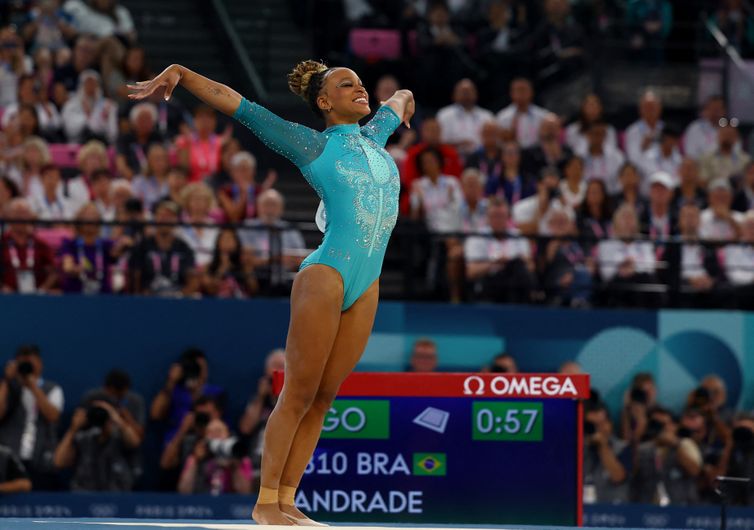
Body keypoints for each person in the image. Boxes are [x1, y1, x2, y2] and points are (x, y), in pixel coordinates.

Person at [128, 58, 414, 524]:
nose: (360, 89)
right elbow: (242, 108)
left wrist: (405, 104)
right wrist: (182, 72)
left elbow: (399, 99)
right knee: (299, 393)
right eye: (348, 85)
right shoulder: (313, 146)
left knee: (324, 397)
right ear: (324, 101)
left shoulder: (377, 135)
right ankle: (264, 503)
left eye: (361, 84)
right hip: (327, 274)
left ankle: (288, 501)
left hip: (368, 282)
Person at [0, 344, 63, 490]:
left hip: (41, 459)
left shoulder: (52, 389)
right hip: (10, 459)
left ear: (40, 364)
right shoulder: (8, 388)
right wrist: (7, 381)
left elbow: (53, 416)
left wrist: (32, 385)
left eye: (31, 363)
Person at [53, 399, 141, 491]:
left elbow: (135, 443)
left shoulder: (119, 437)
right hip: (85, 495)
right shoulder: (82, 438)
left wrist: (116, 418)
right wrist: (72, 429)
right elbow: (58, 462)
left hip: (117, 496)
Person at [149, 348, 227, 447]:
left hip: (207, 438)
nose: (197, 371)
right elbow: (155, 415)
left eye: (200, 367)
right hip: (176, 439)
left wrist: (199, 386)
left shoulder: (216, 392)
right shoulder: (174, 390)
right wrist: (170, 382)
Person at [464, 197, 535, 303]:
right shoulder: (477, 237)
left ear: (508, 217)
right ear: (488, 218)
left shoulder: (518, 236)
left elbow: (530, 267)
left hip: (515, 281)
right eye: (495, 216)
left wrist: (518, 261)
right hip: (490, 280)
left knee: (517, 266)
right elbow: (471, 272)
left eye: (501, 216)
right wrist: (495, 263)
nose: (498, 220)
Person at [237, 189, 307, 294]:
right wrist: (277, 259)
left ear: (281, 209)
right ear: (258, 207)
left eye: (273, 205)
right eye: (266, 204)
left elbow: (301, 258)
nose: (269, 209)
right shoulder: (247, 228)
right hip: (257, 277)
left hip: (287, 278)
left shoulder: (290, 230)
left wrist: (263, 259)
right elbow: (246, 259)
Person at [127, 199, 198, 297]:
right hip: (148, 301)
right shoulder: (142, 246)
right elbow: (134, 278)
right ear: (155, 218)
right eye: (162, 215)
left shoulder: (184, 248)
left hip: (177, 301)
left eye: (170, 216)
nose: (165, 219)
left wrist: (180, 296)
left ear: (176, 220)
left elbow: (192, 280)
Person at [239, 349, 286, 476]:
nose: (277, 372)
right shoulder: (258, 400)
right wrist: (260, 397)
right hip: (257, 463)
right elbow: (245, 428)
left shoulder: (296, 401)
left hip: (284, 464)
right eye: (274, 367)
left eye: (282, 367)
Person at [0, 199, 57, 294]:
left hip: (37, 298)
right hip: (6, 298)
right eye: (17, 213)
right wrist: (2, 287)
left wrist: (43, 289)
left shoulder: (40, 243)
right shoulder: (2, 242)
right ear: (8, 217)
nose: (21, 218)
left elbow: (54, 272)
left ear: (31, 217)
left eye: (24, 214)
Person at [583, 403, 630, 504]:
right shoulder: (576, 449)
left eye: (602, 424)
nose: (598, 430)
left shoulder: (622, 447)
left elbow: (618, 476)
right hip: (581, 511)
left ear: (610, 424)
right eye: (592, 426)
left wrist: (602, 446)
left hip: (614, 513)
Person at [436, 78, 494, 156]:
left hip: (481, 158)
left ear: (476, 94)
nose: (466, 94)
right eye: (463, 91)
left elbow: (493, 141)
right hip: (453, 157)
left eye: (469, 91)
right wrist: (458, 143)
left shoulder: (487, 116)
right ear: (454, 94)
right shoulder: (444, 115)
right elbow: (438, 141)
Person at [202, 229, 258, 299]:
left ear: (236, 243)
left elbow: (254, 289)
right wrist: (222, 269)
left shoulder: (243, 265)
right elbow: (210, 290)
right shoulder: (208, 266)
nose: (227, 241)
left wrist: (248, 269)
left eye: (230, 238)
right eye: (224, 239)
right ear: (218, 243)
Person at [495, 78, 549, 149]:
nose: (521, 94)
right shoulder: (502, 117)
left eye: (523, 90)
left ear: (531, 92)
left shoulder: (543, 115)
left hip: (538, 154)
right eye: (518, 90)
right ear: (511, 93)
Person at [625, 90, 664, 166]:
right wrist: (643, 147)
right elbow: (632, 160)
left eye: (652, 107)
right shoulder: (632, 131)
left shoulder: (666, 130)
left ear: (659, 108)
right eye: (646, 107)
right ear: (640, 110)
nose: (650, 111)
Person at [684, 95, 726, 160]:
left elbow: (735, 154)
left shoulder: (728, 130)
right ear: (706, 110)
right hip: (700, 167)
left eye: (718, 109)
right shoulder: (695, 128)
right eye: (713, 109)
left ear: (723, 111)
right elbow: (690, 154)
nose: (715, 113)